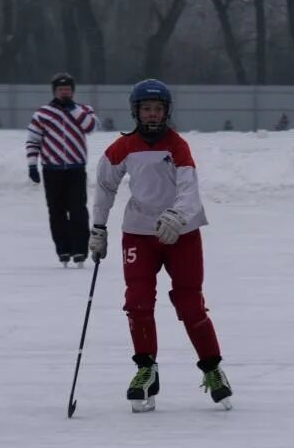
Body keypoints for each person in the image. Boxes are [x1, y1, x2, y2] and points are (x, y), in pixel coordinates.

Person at [88, 79, 232, 413]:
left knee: (190, 304)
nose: (152, 115)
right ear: (135, 112)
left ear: (167, 111)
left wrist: (177, 216)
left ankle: (213, 369)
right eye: (146, 109)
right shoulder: (123, 147)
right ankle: (145, 369)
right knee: (137, 301)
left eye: (158, 109)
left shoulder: (177, 146)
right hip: (138, 232)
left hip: (182, 234)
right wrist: (98, 227)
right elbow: (105, 185)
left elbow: (189, 189)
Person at [25, 72, 98, 267]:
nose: (64, 93)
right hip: (52, 169)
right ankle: (63, 249)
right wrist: (32, 165)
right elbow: (33, 141)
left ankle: (80, 250)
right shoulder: (43, 114)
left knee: (78, 210)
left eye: (67, 90)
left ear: (73, 91)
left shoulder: (83, 110)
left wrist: (73, 109)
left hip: (76, 169)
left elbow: (90, 127)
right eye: (60, 90)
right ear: (54, 91)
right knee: (56, 211)